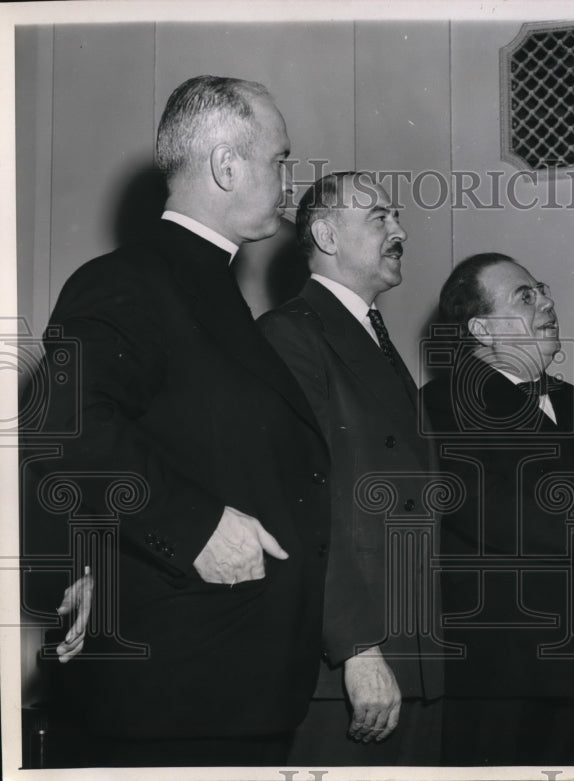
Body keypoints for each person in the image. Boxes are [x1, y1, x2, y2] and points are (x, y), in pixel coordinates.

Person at [24, 75, 335, 767]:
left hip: (226, 683)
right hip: (178, 694)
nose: (289, 178)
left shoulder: (210, 290)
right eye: (280, 158)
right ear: (227, 166)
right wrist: (193, 525)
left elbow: (161, 440)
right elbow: (60, 420)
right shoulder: (133, 277)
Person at [421, 253, 574, 766]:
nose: (548, 302)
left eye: (544, 290)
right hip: (508, 672)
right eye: (525, 296)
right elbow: (483, 508)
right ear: (483, 328)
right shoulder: (439, 404)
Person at [258, 172, 444, 765]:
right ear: (326, 235)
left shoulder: (372, 340)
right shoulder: (290, 335)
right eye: (381, 218)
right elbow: (302, 505)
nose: (401, 231)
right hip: (346, 669)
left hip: (414, 660)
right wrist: (358, 649)